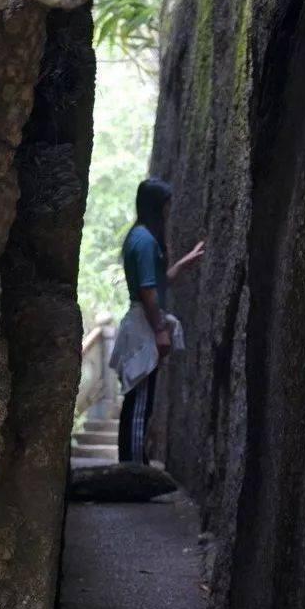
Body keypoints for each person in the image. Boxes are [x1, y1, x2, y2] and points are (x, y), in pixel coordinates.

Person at [110, 178, 204, 464]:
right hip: (144, 324)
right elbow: (148, 292)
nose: (168, 211)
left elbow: (158, 284)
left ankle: (132, 462)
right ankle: (134, 466)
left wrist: (186, 261)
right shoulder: (146, 241)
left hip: (141, 320)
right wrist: (160, 330)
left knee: (139, 398)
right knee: (140, 400)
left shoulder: (139, 237)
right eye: (165, 205)